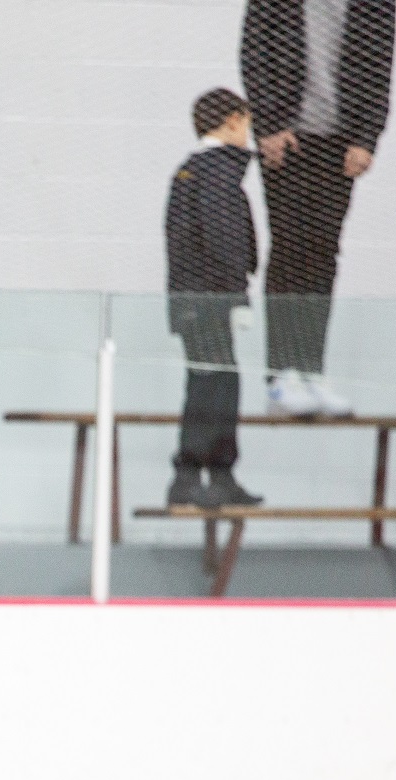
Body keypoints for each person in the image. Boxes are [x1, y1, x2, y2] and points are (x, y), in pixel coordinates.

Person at [240, 0, 396, 419]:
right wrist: (268, 125)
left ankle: (311, 370)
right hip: (288, 136)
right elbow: (253, 52)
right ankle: (280, 375)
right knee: (290, 245)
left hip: (340, 140)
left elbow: (381, 66)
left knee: (323, 251)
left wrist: (367, 137)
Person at [164, 87, 264, 508]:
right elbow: (223, 239)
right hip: (210, 299)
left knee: (211, 382)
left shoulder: (194, 171)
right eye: (247, 123)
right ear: (232, 122)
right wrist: (238, 295)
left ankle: (208, 476)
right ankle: (198, 476)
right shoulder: (216, 173)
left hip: (193, 298)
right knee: (215, 385)